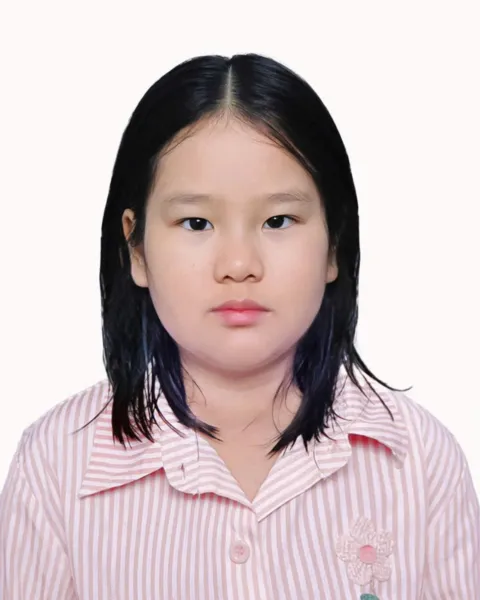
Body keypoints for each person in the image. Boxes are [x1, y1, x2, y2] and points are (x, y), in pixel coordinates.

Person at [0, 53, 478, 600]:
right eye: (196, 222)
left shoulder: (419, 461)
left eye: (278, 220)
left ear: (334, 244)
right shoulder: (55, 467)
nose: (238, 264)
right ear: (137, 247)